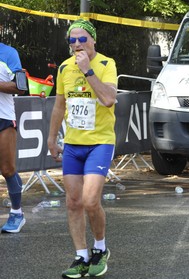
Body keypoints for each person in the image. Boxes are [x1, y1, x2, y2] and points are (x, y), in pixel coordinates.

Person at [47, 19, 117, 278]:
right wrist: (52, 138)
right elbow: (59, 106)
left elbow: (109, 100)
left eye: (82, 39)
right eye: (72, 40)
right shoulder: (64, 68)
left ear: (93, 40)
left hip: (100, 142)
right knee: (73, 202)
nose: (77, 44)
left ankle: (100, 247)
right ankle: (81, 256)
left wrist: (88, 71)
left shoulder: (106, 64)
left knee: (90, 200)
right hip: (74, 144)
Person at [0, 42, 26, 233]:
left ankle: (17, 213)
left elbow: (21, 86)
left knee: (8, 169)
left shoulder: (9, 53)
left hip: (4, 117)